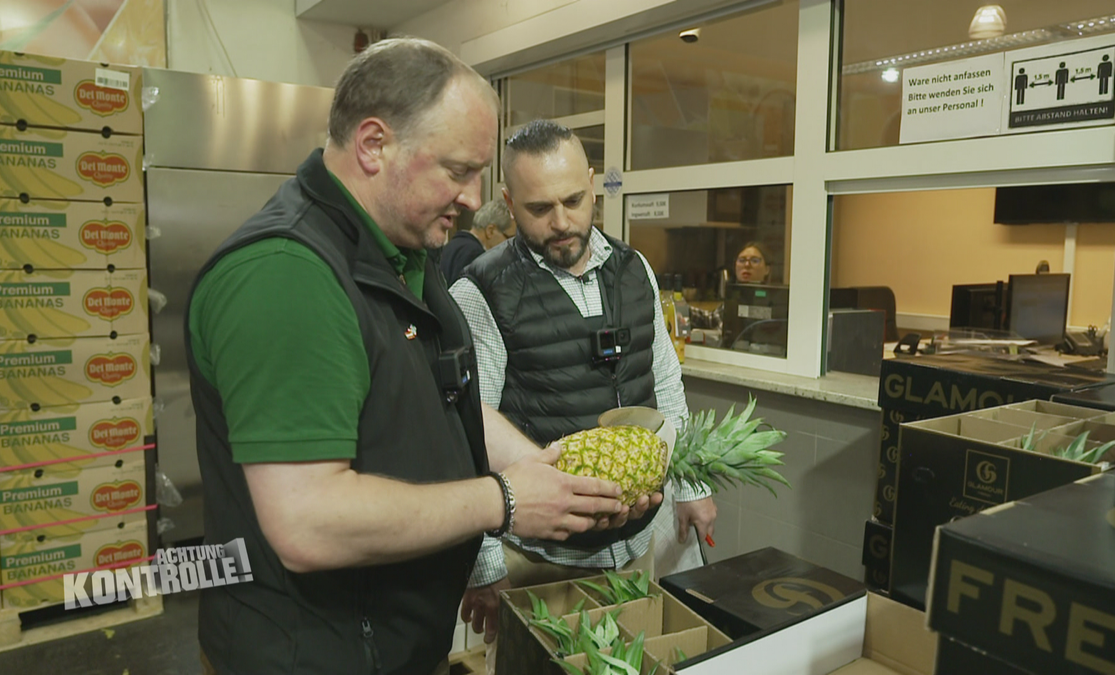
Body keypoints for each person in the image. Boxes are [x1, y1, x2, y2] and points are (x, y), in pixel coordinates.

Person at [185, 39, 643, 675]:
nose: (475, 198)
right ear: (374, 145)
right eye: (458, 171)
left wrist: (548, 471)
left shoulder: (402, 256)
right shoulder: (287, 275)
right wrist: (506, 500)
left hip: (391, 646)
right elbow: (308, 522)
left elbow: (445, 403)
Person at [450, 120, 717, 658]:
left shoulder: (634, 268)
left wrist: (692, 485)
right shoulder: (481, 291)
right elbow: (464, 427)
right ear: (507, 201)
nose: (562, 222)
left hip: (636, 545)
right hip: (537, 561)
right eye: (539, 208)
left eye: (574, 200)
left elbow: (664, 383)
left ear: (593, 184)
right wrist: (483, 562)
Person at [440, 199, 516, 285]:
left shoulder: (453, 245)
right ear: (490, 231)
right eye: (509, 238)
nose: (511, 245)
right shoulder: (475, 256)